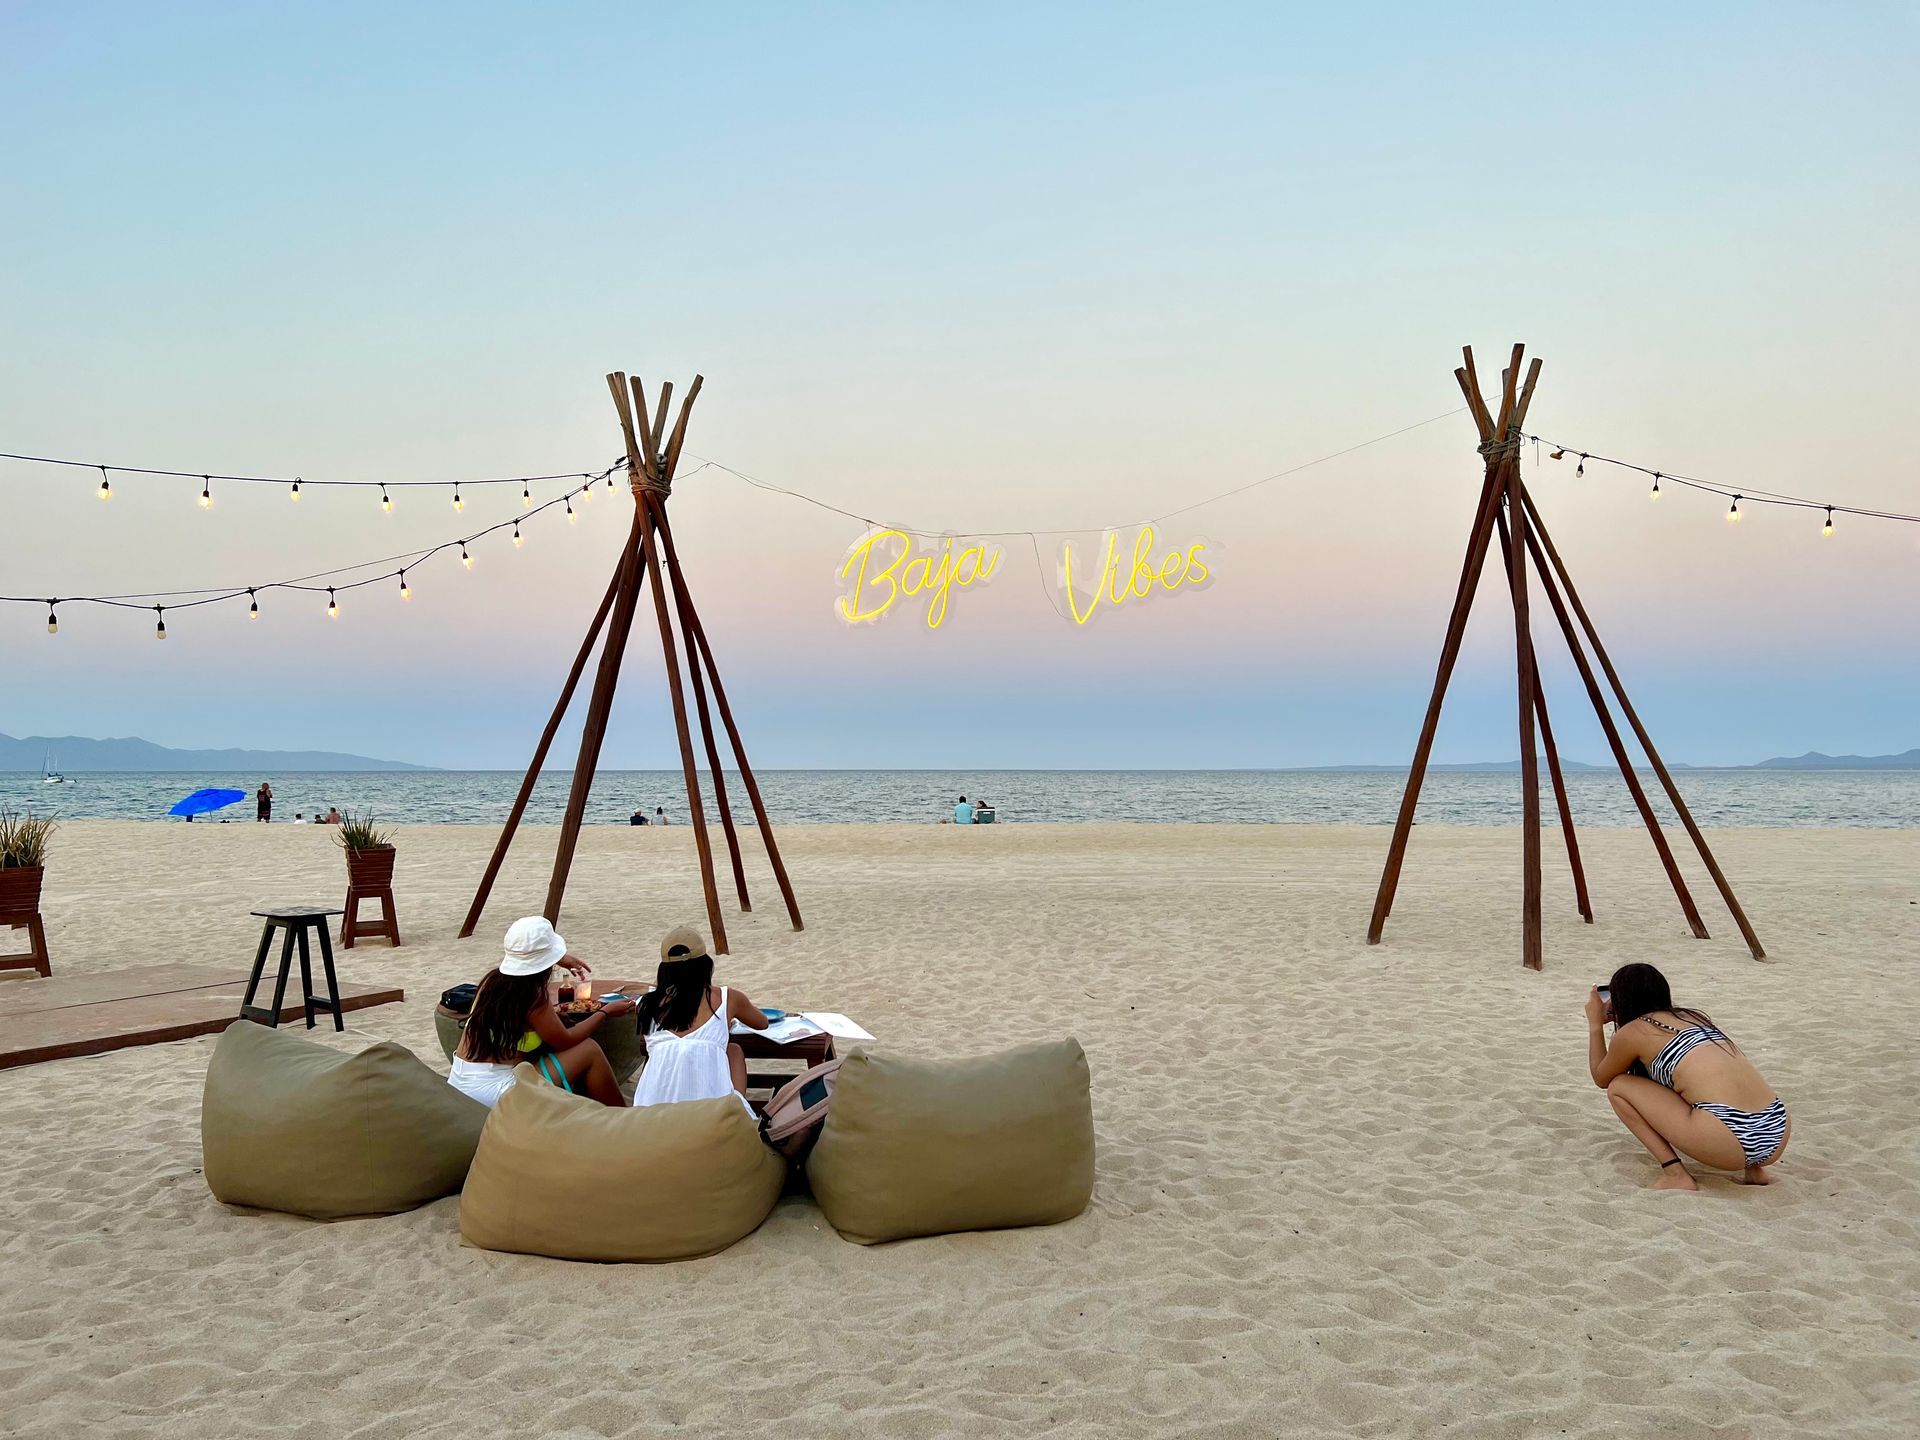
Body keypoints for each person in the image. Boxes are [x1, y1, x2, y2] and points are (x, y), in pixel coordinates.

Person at [1587, 962, 1789, 1190]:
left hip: (1729, 1138)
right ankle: (1755, 1170)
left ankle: (1675, 1174)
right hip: (1776, 1129)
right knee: (1699, 1083)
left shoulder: (1635, 1031)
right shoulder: (1692, 1017)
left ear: (1619, 1000)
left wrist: (1595, 1024)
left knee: (1619, 1087)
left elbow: (1601, 1078)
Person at [450, 916, 633, 1109]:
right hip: (495, 1093)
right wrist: (605, 1012)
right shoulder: (532, 996)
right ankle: (621, 1119)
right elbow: (566, 1040)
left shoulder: (492, 983)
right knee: (589, 1049)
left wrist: (556, 958)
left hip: (460, 1083)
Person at [631, 926, 767, 1111]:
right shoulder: (727, 998)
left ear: (664, 971)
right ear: (705, 966)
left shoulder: (645, 1004)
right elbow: (762, 1022)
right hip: (710, 1118)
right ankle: (737, 1114)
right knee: (733, 1050)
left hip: (650, 1114)